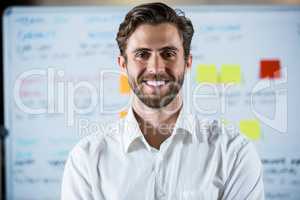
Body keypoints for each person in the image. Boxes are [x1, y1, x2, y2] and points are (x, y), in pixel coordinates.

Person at [61, 2, 265, 200]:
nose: (156, 68)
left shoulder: (233, 153)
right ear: (123, 65)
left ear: (187, 62)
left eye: (168, 54)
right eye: (142, 54)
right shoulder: (86, 160)